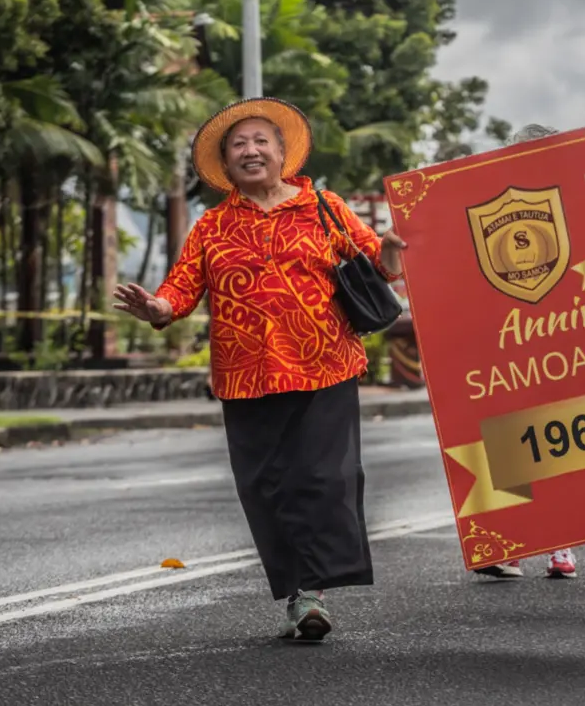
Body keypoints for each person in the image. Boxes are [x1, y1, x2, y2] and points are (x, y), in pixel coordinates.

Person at [112, 98, 406, 642]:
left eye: (260, 141)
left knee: (322, 477)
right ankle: (299, 592)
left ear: (281, 152)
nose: (250, 151)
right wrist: (159, 309)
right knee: (267, 486)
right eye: (238, 145)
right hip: (245, 375)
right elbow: (180, 287)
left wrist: (390, 253)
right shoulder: (212, 226)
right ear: (226, 164)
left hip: (325, 364)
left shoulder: (325, 206)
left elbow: (378, 268)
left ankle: (313, 590)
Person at [468, 123, 582, 581]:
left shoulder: (576, 201)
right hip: (506, 339)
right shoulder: (485, 201)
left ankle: (561, 544)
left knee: (560, 441)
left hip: (564, 338)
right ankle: (511, 542)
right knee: (509, 442)